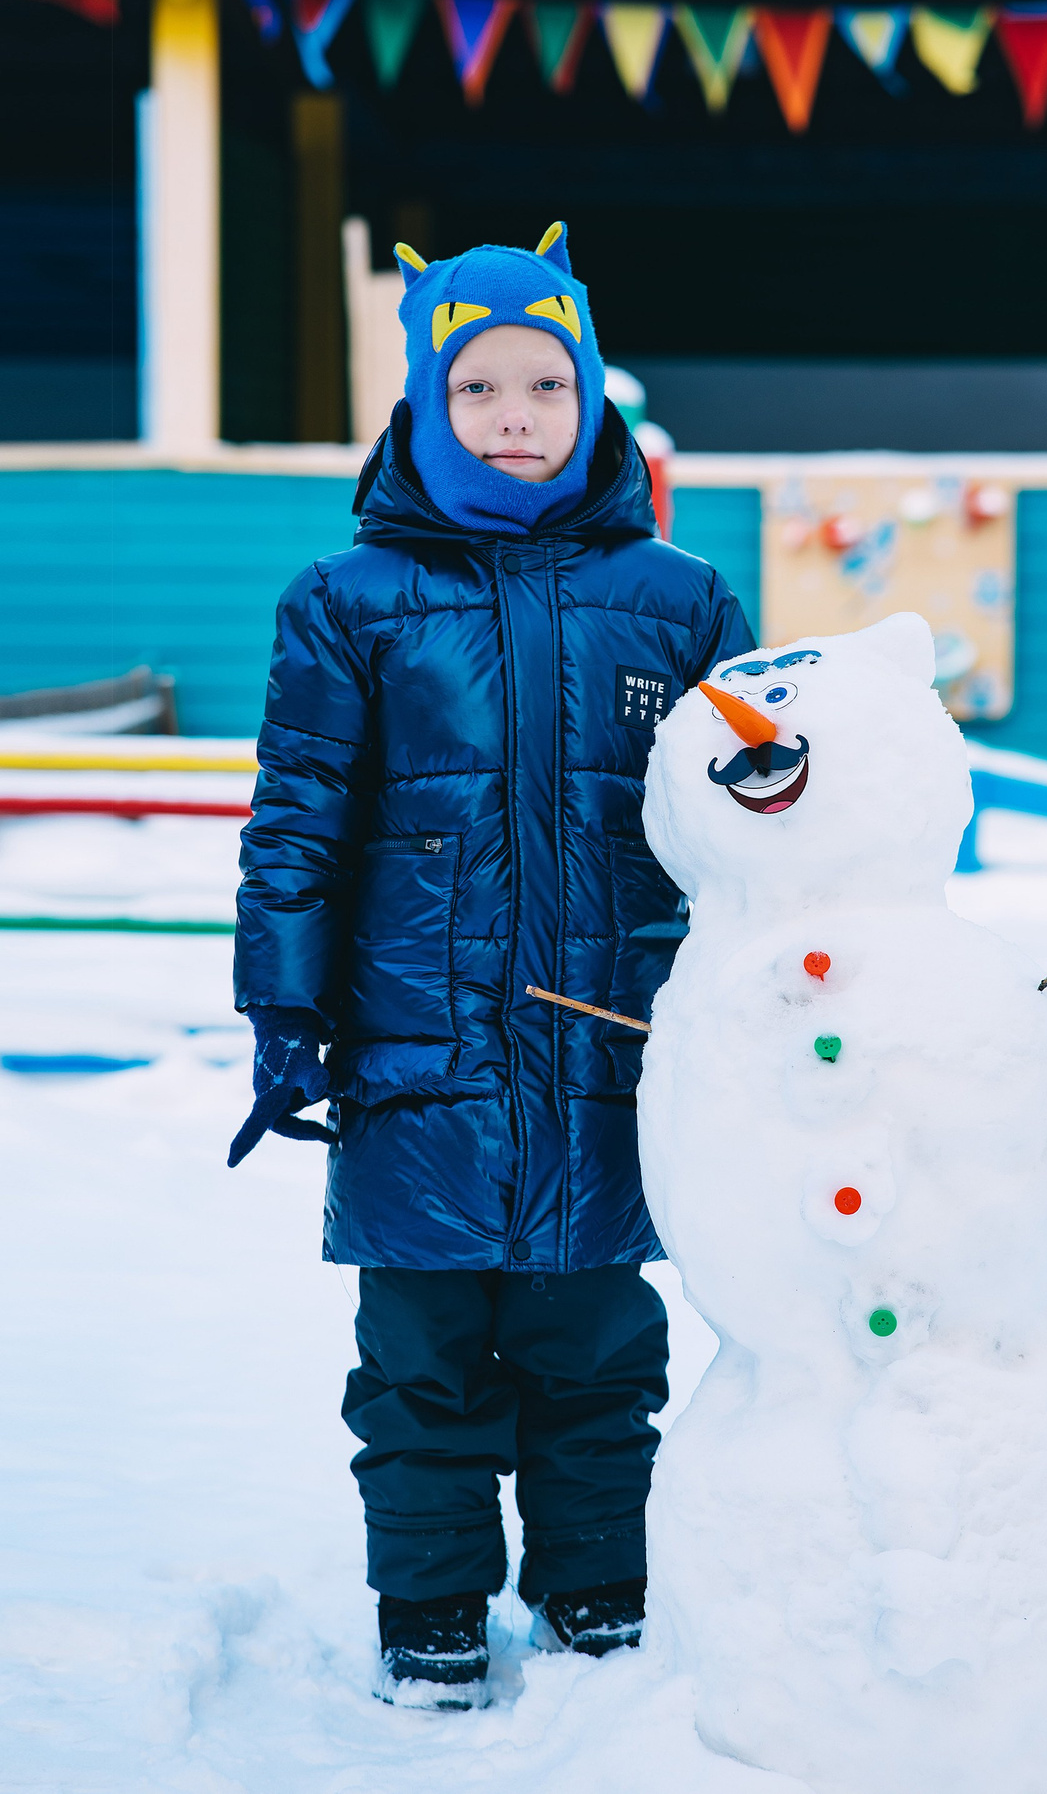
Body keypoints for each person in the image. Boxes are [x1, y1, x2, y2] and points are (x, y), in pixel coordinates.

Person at [229, 225, 755, 1709]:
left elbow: (748, 821)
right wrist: (283, 1004)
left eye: (544, 382)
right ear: (422, 399)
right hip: (417, 1055)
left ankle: (598, 1591)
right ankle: (434, 1610)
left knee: (597, 1358)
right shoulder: (350, 598)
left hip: (609, 1059)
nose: (515, 414)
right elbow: (297, 818)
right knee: (422, 1369)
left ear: (592, 394)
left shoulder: (676, 598)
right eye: (478, 388)